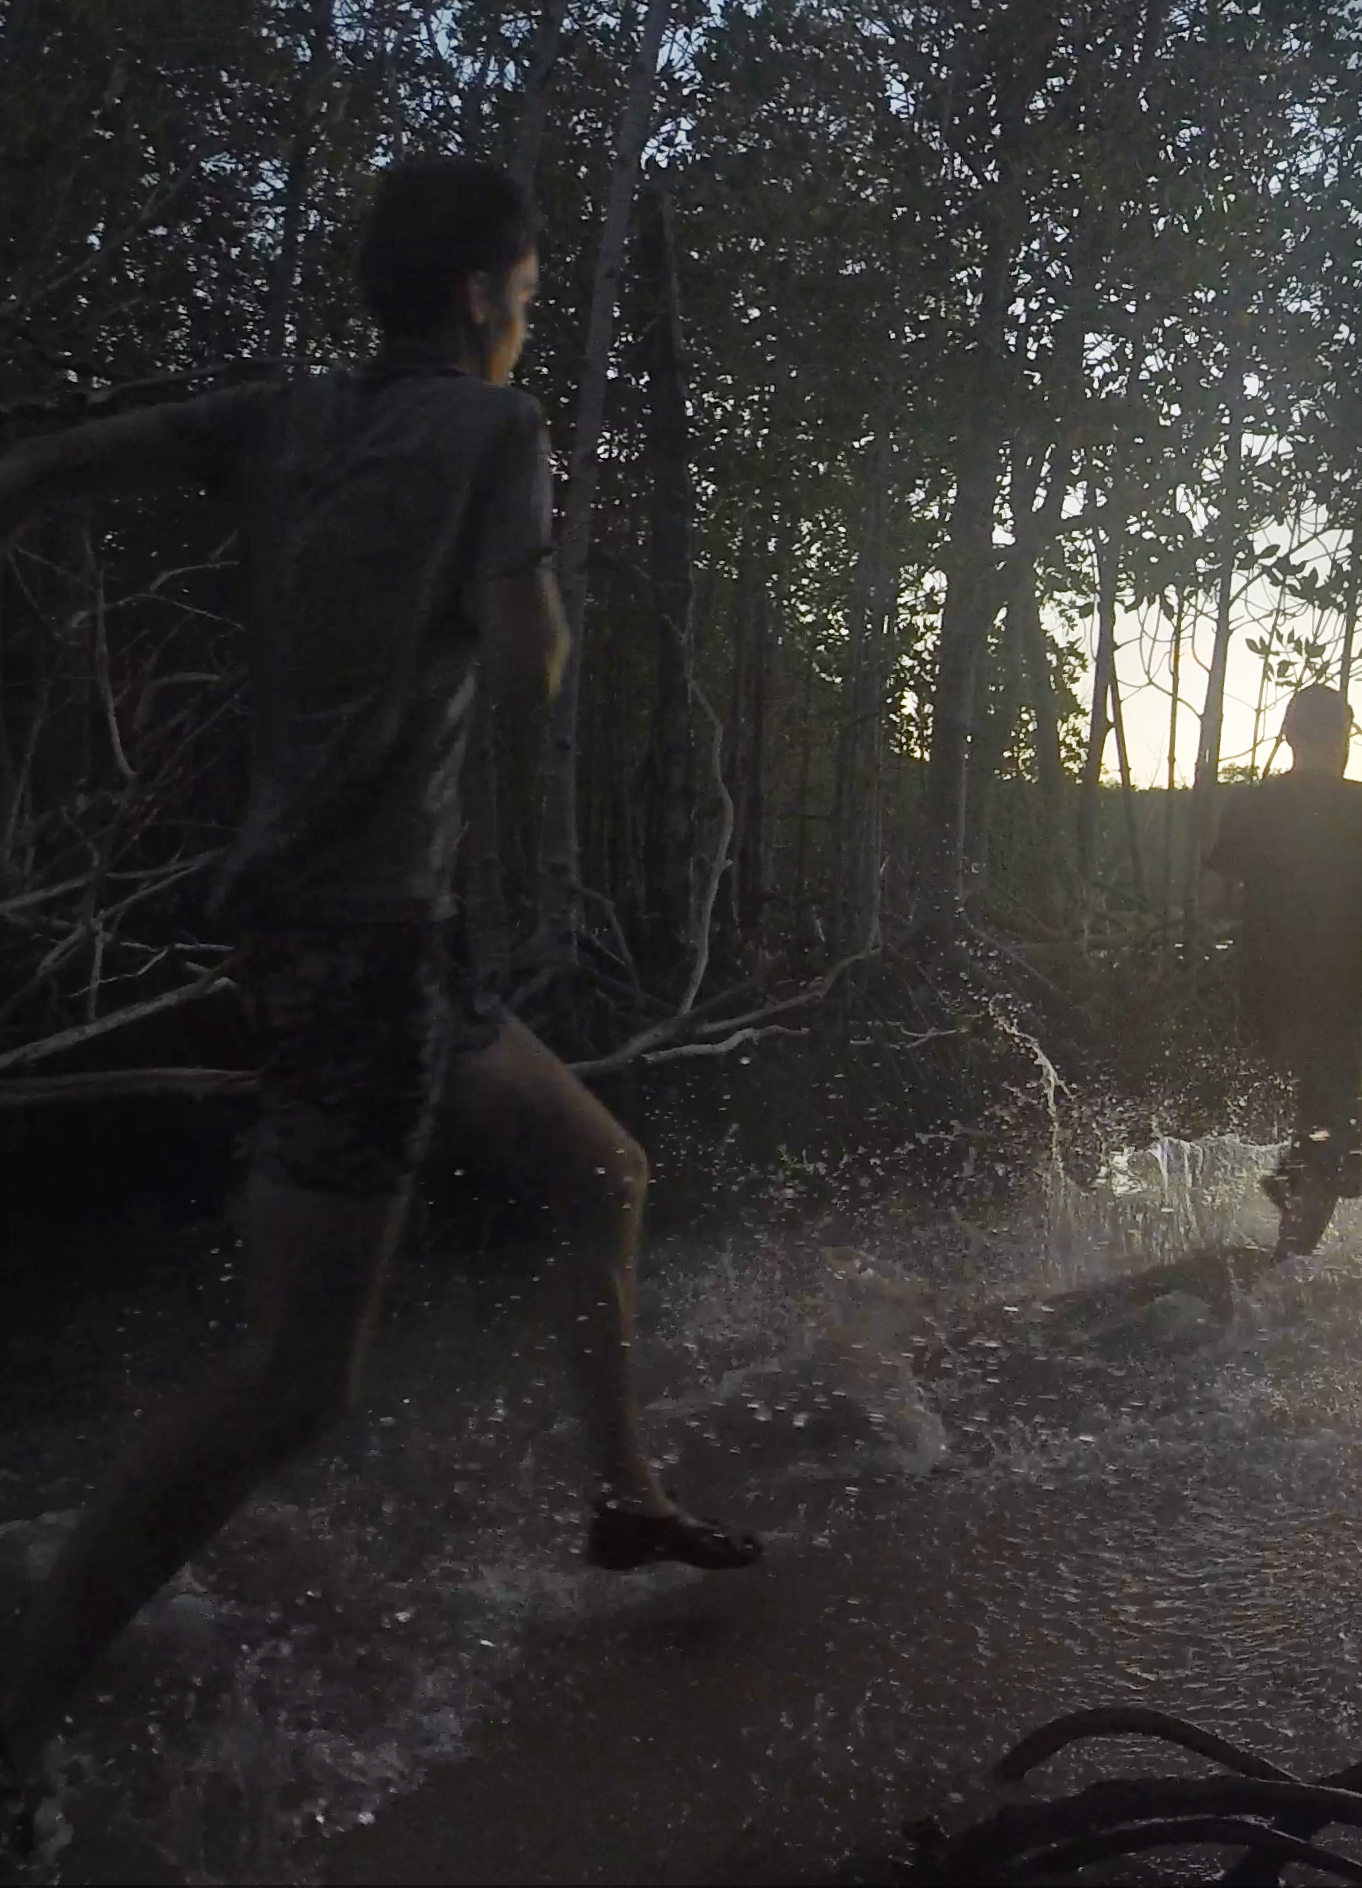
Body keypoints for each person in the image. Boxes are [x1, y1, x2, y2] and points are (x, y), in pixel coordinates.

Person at [0, 156, 755, 1781]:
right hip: (364, 943)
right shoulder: (498, 432)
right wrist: (534, 569)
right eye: (534, 297)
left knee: (603, 1172)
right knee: (292, 1382)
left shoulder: (282, 415)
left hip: (347, 938)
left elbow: (59, 465)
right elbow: (531, 652)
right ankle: (19, 1708)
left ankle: (625, 1499)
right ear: (486, 293)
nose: (529, 322)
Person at [1199, 686, 1362, 1285]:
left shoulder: (1249, 804)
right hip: (1332, 989)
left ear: (1289, 736)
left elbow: (1214, 899)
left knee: (1308, 1119)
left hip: (1260, 984)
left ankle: (1285, 1191)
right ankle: (1284, 1272)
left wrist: (1265, 897)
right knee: (1339, 1142)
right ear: (1344, 737)